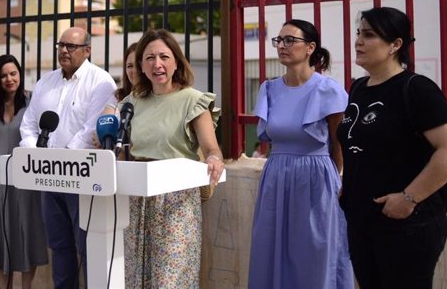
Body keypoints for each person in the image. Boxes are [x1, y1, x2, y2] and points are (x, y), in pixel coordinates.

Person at [337, 7, 447, 289]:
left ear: (396, 44)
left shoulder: (417, 88)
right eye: (359, 33)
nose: (358, 41)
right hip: (362, 221)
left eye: (369, 35)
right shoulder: (358, 88)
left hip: (407, 225)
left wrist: (409, 198)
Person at [248, 19, 353, 289]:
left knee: (315, 254)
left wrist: (338, 178)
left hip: (316, 178)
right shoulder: (269, 89)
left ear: (310, 48)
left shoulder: (327, 89)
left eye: (289, 40)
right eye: (279, 40)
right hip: (276, 178)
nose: (282, 46)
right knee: (270, 249)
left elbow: (338, 142)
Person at [121, 29, 225, 287]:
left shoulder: (193, 100)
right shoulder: (132, 101)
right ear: (141, 66)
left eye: (164, 57)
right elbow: (121, 146)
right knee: (138, 278)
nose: (157, 64)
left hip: (176, 203)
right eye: (149, 58)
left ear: (176, 62)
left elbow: (212, 149)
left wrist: (213, 159)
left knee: (171, 281)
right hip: (138, 198)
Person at [19, 27, 117, 289]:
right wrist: (38, 157)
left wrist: (61, 164)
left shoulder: (101, 81)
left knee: (88, 247)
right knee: (59, 246)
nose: (64, 50)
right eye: (61, 45)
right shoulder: (45, 82)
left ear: (87, 50)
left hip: (83, 179)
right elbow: (28, 126)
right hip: (48, 179)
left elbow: (91, 130)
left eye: (71, 46)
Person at [0, 54, 49, 289]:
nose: (9, 79)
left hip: (26, 173)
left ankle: (25, 286)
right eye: (4, 75)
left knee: (27, 226)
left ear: (20, 74)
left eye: (13, 73)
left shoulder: (32, 103)